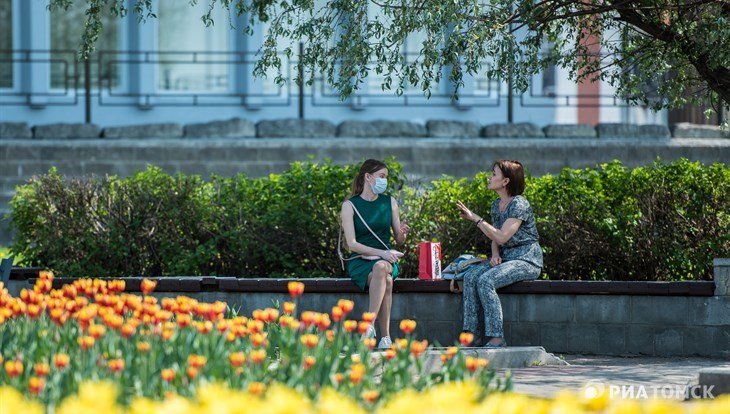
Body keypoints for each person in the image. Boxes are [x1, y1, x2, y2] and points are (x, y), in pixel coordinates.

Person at [455, 160, 542, 348]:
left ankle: (497, 337)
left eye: (494, 174)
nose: (489, 177)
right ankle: (471, 335)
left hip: (526, 259)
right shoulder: (497, 204)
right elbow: (495, 236)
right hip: (505, 257)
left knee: (486, 281)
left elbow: (502, 236)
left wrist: (476, 219)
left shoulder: (519, 204)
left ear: (505, 182)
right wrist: (494, 254)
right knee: (470, 277)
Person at [340, 159, 409, 349]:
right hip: (360, 262)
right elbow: (352, 244)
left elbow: (399, 240)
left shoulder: (390, 202)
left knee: (381, 268)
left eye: (386, 177)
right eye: (382, 177)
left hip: (386, 260)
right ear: (368, 177)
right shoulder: (350, 206)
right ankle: (385, 338)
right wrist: (383, 253)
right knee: (386, 280)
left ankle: (369, 325)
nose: (384, 181)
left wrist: (402, 233)